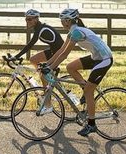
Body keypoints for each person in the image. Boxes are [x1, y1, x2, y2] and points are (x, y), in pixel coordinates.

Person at [45, 8, 113, 137]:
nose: (61, 23)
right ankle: (85, 90)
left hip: (104, 60)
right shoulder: (73, 31)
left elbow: (65, 54)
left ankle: (91, 124)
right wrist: (47, 64)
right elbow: (60, 50)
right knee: (71, 67)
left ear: (68, 21)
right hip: (96, 58)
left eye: (62, 20)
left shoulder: (76, 32)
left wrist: (52, 67)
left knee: (89, 91)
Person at [11, 9, 64, 91]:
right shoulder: (39, 28)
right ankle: (45, 77)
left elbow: (30, 45)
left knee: (44, 74)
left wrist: (16, 56)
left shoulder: (41, 29)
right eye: (26, 19)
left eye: (29, 19)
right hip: (53, 50)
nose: (27, 21)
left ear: (36, 19)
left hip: (59, 52)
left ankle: (47, 99)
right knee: (33, 60)